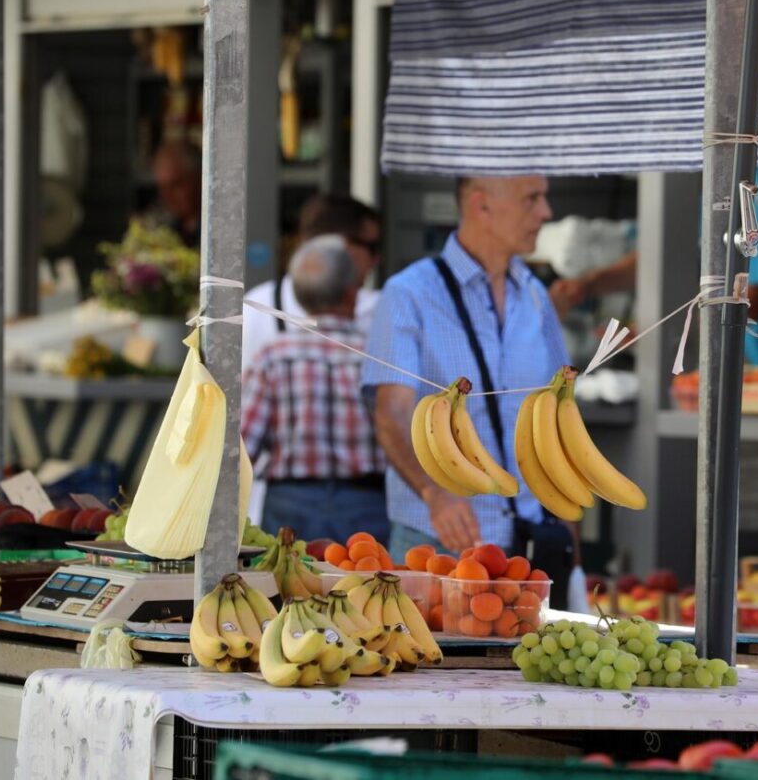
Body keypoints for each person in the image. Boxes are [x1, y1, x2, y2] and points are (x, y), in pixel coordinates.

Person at [361, 176, 576, 605]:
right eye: (532, 199)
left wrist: (570, 527)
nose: (546, 213)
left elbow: (559, 419)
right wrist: (433, 493)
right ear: (482, 206)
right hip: (438, 545)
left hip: (528, 542)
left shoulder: (535, 297)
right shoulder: (409, 294)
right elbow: (391, 415)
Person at [548, 167, 758, 364]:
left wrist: (659, 329)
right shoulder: (718, 194)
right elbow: (664, 255)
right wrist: (589, 284)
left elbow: (747, 306)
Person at [241, 235, 389, 544]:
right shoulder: (378, 357)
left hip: (290, 501)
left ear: (299, 295)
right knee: (366, 589)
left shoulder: (273, 355)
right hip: (366, 502)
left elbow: (243, 448)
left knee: (287, 588)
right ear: (353, 292)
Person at [242, 193, 382, 371]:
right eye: (372, 247)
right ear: (339, 246)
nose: (377, 259)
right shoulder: (380, 311)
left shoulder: (253, 307)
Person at [144, 139, 202, 245]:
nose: (167, 196)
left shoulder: (213, 227)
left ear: (198, 178)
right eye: (162, 188)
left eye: (175, 185)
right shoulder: (163, 227)